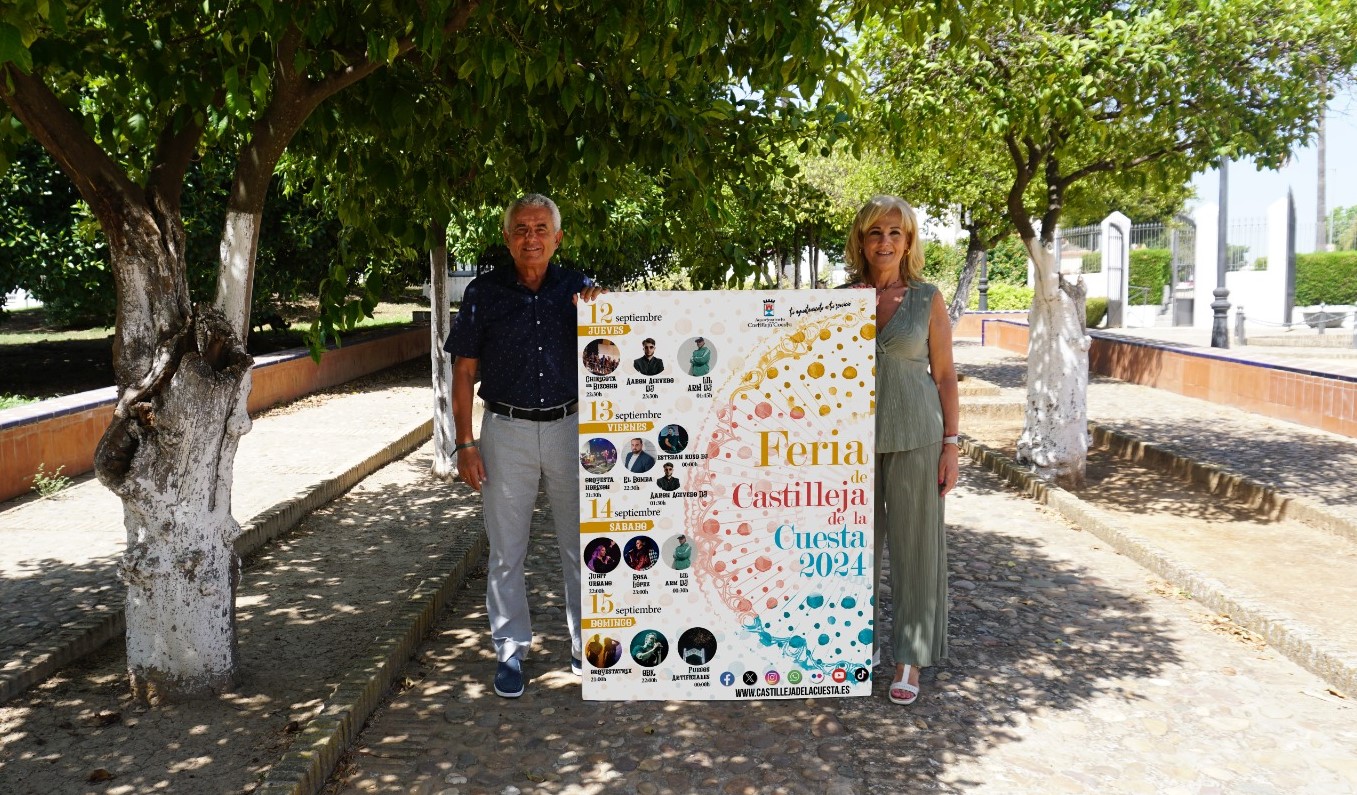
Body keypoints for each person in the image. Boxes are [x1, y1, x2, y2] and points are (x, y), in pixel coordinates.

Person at [445, 193, 606, 699]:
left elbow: (611, 344)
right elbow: (463, 371)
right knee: (506, 550)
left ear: (557, 238)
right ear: (507, 237)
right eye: (521, 229)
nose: (530, 238)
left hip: (571, 428)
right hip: (506, 431)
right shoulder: (483, 293)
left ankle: (587, 645)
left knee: (582, 546)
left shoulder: (580, 289)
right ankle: (510, 650)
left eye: (540, 229)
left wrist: (605, 307)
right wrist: (465, 444)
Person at [844, 194, 959, 706]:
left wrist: (951, 445)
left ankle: (909, 656)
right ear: (862, 241)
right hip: (850, 445)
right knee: (853, 547)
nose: (885, 241)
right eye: (875, 232)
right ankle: (856, 641)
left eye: (895, 232)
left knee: (916, 548)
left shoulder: (927, 298)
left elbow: (946, 375)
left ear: (908, 241)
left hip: (917, 435)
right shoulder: (837, 299)